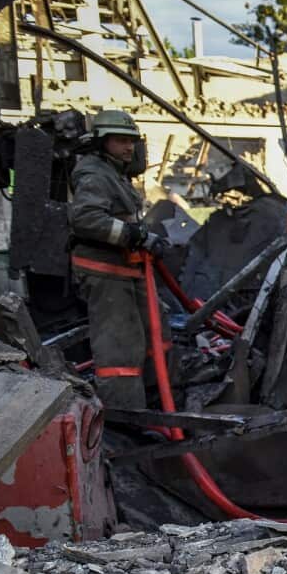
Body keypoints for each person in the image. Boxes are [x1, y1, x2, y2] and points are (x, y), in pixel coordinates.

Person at [69, 110, 166, 409]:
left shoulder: (115, 173)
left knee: (156, 330)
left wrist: (142, 235)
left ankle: (158, 398)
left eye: (131, 142)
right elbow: (85, 219)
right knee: (120, 350)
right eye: (121, 141)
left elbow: (125, 218)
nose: (129, 148)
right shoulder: (94, 174)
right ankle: (126, 420)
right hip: (105, 273)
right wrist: (131, 235)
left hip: (126, 270)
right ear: (101, 141)